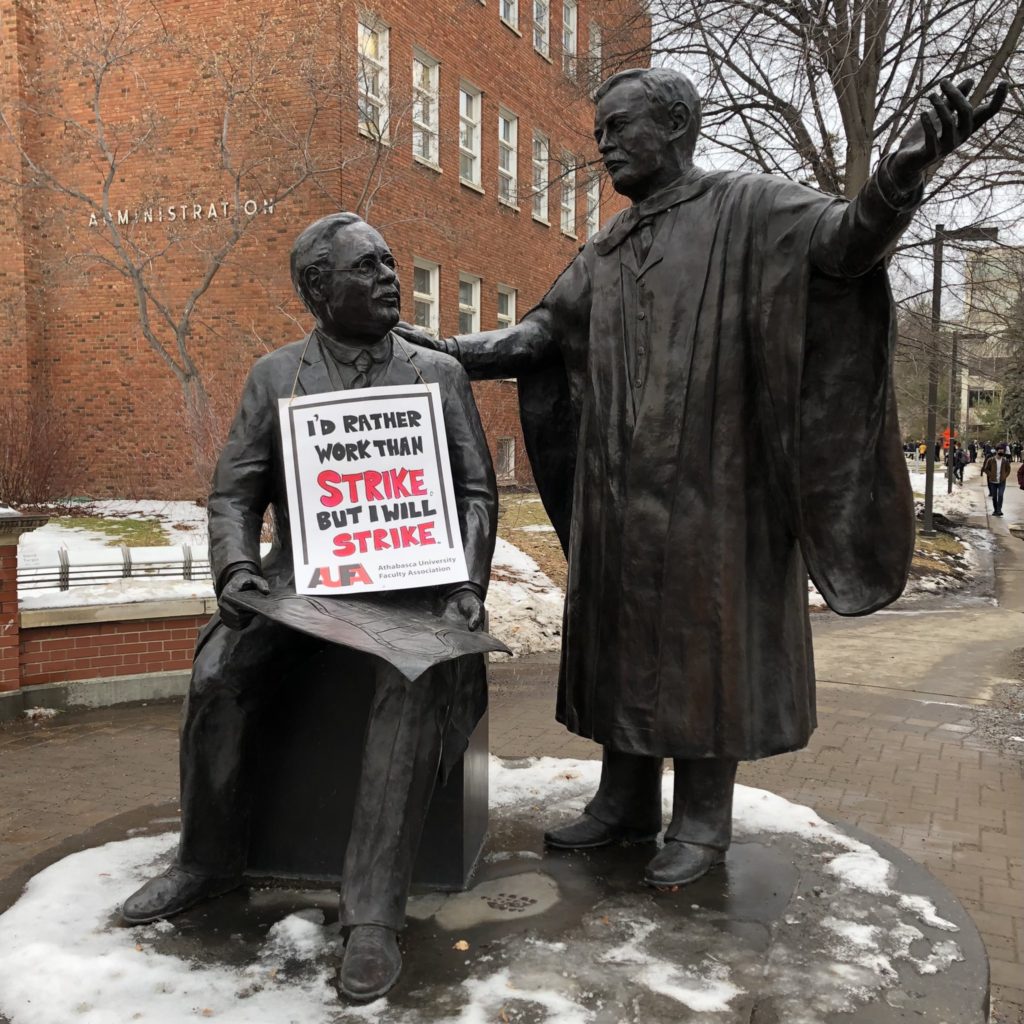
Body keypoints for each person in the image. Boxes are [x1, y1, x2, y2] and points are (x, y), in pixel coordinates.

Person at [400, 67, 1005, 888]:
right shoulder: (605, 249)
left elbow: (846, 245)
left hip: (718, 496)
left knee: (702, 651)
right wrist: (444, 353)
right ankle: (625, 801)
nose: (605, 142)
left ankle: (703, 821)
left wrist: (902, 175)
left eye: (620, 126)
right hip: (620, 496)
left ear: (678, 125)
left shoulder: (749, 209)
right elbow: (542, 333)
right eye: (601, 129)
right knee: (620, 642)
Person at [120, 213, 498, 1002]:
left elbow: (474, 494)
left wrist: (465, 585)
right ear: (318, 291)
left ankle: (371, 916)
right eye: (370, 268)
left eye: (394, 261)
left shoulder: (436, 374)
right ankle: (207, 859)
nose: (393, 277)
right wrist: (234, 571)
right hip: (302, 586)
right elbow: (234, 490)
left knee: (409, 682)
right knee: (219, 669)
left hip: (415, 589)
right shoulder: (275, 376)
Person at [982, 443, 1012, 516]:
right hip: (993, 481)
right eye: (1000, 451)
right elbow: (985, 469)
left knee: (1000, 495)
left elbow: (1008, 469)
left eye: (1002, 451)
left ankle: (999, 510)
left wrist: (1005, 476)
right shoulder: (991, 460)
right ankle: (995, 510)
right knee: (994, 497)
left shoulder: (1005, 461)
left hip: (1002, 481)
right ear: (996, 451)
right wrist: (990, 475)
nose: (1001, 453)